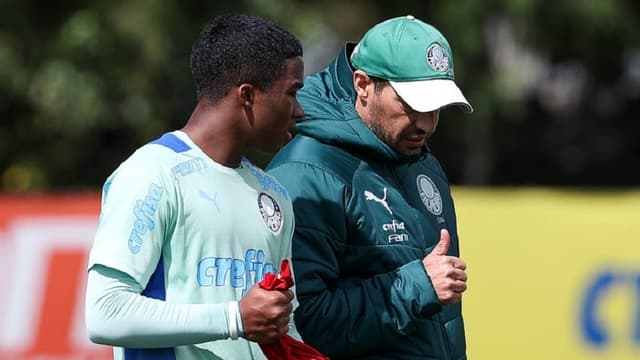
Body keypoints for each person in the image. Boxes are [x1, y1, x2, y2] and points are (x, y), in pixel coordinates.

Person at [85, 14, 305, 359]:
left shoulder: (273, 195)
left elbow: (281, 326)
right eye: (292, 93)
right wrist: (233, 318)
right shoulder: (152, 174)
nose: (300, 111)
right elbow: (105, 313)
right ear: (247, 95)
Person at [267, 15, 472, 359]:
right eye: (412, 105)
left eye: (436, 106)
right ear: (362, 84)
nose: (426, 123)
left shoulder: (421, 160)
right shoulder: (305, 172)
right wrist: (418, 286)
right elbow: (302, 327)